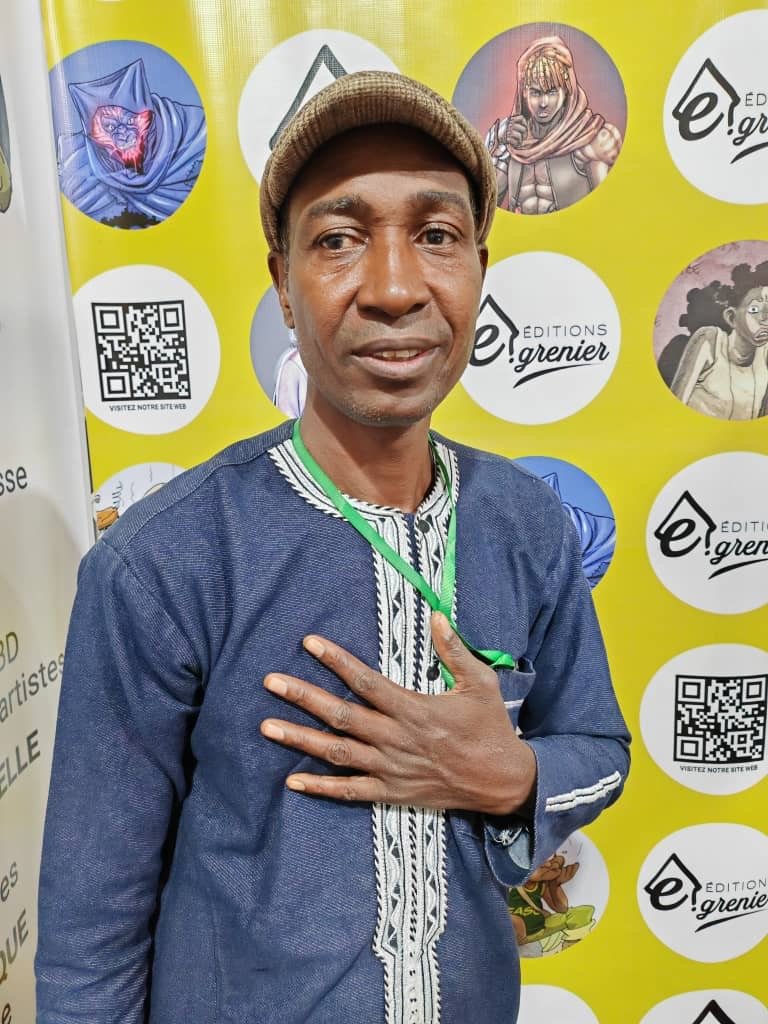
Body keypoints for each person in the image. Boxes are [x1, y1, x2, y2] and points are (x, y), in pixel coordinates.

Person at [35, 71, 629, 1024]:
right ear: (282, 280)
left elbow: (600, 750)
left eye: (436, 235)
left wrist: (514, 776)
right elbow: (88, 935)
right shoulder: (164, 562)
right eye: (340, 239)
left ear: (480, 266)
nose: (394, 288)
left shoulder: (527, 523)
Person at [484, 36, 622, 214]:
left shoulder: (590, 138)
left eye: (551, 92)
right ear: (524, 92)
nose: (543, 103)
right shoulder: (512, 139)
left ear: (567, 89)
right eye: (536, 93)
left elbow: (606, 209)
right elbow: (486, 204)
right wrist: (496, 141)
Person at [670, 268, 768, 420]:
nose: (765, 319)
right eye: (754, 309)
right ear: (731, 317)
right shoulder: (710, 340)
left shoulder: (765, 353)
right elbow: (674, 407)